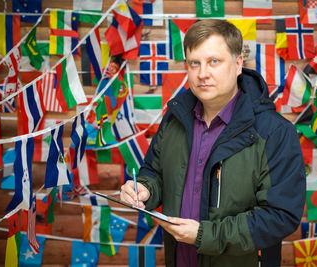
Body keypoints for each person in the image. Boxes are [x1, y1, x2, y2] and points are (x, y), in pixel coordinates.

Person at [120, 19, 306, 267]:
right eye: (194, 63)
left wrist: (203, 236)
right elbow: (154, 172)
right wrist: (144, 189)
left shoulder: (275, 133)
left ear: (238, 63)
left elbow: (280, 216)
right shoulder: (175, 117)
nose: (202, 73)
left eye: (214, 62)